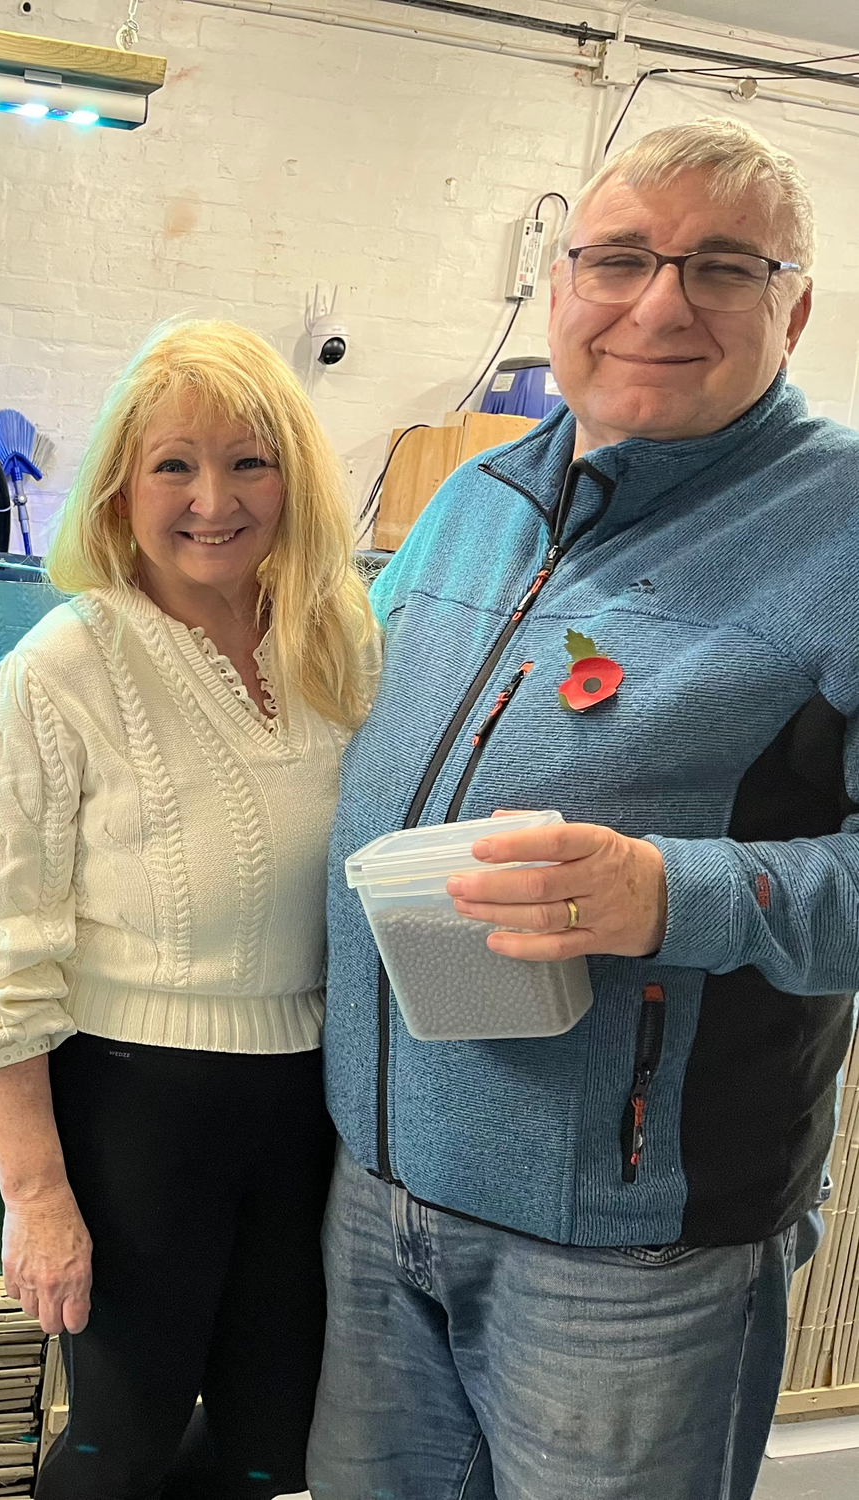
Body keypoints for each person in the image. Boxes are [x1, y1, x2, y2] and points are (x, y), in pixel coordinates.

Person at [309, 116, 859, 1500]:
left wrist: (673, 894)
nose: (658, 306)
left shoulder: (842, 530)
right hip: (379, 1195)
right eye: (619, 259)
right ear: (559, 286)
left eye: (721, 268)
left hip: (627, 1248)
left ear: (794, 309)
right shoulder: (472, 500)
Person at [0, 319, 379, 1499]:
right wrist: (36, 1198)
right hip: (133, 1111)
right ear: (122, 486)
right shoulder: (57, 671)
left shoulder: (340, 642)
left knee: (277, 1444)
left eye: (249, 461)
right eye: (175, 464)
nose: (214, 500)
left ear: (295, 479)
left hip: (311, 1104)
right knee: (117, 1447)